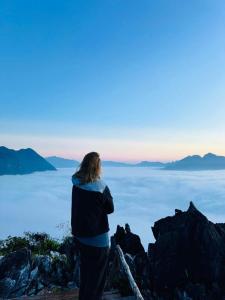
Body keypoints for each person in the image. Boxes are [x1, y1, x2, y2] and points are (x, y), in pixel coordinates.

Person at [71, 151, 114, 300]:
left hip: (80, 236)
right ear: (97, 167)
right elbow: (110, 209)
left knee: (86, 274)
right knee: (97, 280)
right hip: (97, 240)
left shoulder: (76, 182)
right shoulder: (101, 186)